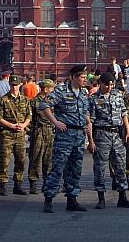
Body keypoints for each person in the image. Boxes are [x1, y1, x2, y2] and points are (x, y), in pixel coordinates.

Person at [40, 65, 91, 213]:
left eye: (85, 77)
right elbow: (44, 105)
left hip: (79, 136)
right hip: (65, 135)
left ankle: (72, 199)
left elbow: (85, 112)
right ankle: (48, 199)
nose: (84, 80)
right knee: (58, 167)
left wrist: (88, 125)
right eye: (82, 77)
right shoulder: (61, 91)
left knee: (75, 169)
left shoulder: (83, 93)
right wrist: (55, 121)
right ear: (74, 77)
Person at [87, 72, 129, 209]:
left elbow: (124, 114)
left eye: (111, 85)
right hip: (101, 134)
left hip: (117, 134)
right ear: (101, 84)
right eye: (107, 85)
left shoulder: (117, 96)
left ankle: (123, 197)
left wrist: (128, 132)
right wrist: (90, 141)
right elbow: (90, 121)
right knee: (100, 167)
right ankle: (101, 198)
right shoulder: (94, 99)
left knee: (120, 165)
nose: (109, 87)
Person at [0, 74, 32, 196]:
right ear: (9, 85)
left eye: (16, 85)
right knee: (4, 160)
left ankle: (18, 184)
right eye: (12, 85)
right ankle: (3, 184)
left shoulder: (25, 100)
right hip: (7, 133)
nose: (14, 87)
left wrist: (23, 125)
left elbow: (29, 115)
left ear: (20, 85)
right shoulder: (3, 100)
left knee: (21, 160)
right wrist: (11, 126)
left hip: (20, 133)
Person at [27, 78, 55, 194]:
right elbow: (28, 117)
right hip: (38, 131)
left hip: (50, 131)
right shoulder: (34, 101)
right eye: (51, 88)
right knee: (36, 158)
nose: (53, 90)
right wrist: (31, 131)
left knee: (48, 159)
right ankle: (33, 183)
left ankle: (47, 183)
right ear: (46, 89)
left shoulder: (53, 101)